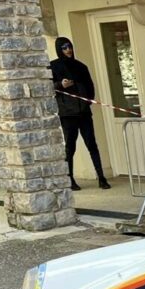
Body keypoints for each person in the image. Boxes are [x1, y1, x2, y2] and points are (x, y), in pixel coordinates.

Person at [50, 37, 110, 191]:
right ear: (59, 50)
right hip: (68, 115)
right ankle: (70, 179)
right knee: (70, 147)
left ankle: (101, 178)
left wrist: (86, 102)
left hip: (84, 113)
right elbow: (47, 87)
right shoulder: (53, 67)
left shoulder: (81, 66)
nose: (68, 50)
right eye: (64, 48)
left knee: (92, 144)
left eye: (69, 46)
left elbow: (90, 87)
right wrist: (60, 85)